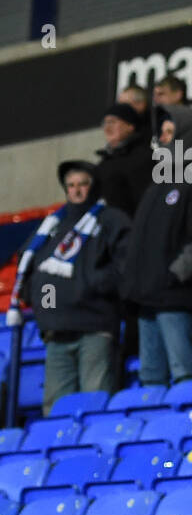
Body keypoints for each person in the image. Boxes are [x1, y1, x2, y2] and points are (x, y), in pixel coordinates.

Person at [9, 162, 131, 414]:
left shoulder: (110, 219)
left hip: (94, 328)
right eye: (71, 185)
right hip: (56, 332)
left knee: (95, 403)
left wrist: (91, 285)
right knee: (55, 409)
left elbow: (126, 267)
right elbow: (35, 270)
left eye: (83, 184)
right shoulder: (52, 225)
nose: (76, 191)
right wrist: (47, 306)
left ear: (93, 186)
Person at [121, 167, 192, 388]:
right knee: (150, 375)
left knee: (184, 370)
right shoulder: (153, 188)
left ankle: (191, 419)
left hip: (173, 295)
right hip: (146, 297)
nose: (164, 139)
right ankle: (156, 422)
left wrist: (175, 274)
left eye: (170, 133)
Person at [95, 103, 153, 217]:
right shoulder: (103, 163)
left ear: (130, 126)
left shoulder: (143, 157)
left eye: (112, 122)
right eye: (105, 123)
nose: (107, 128)